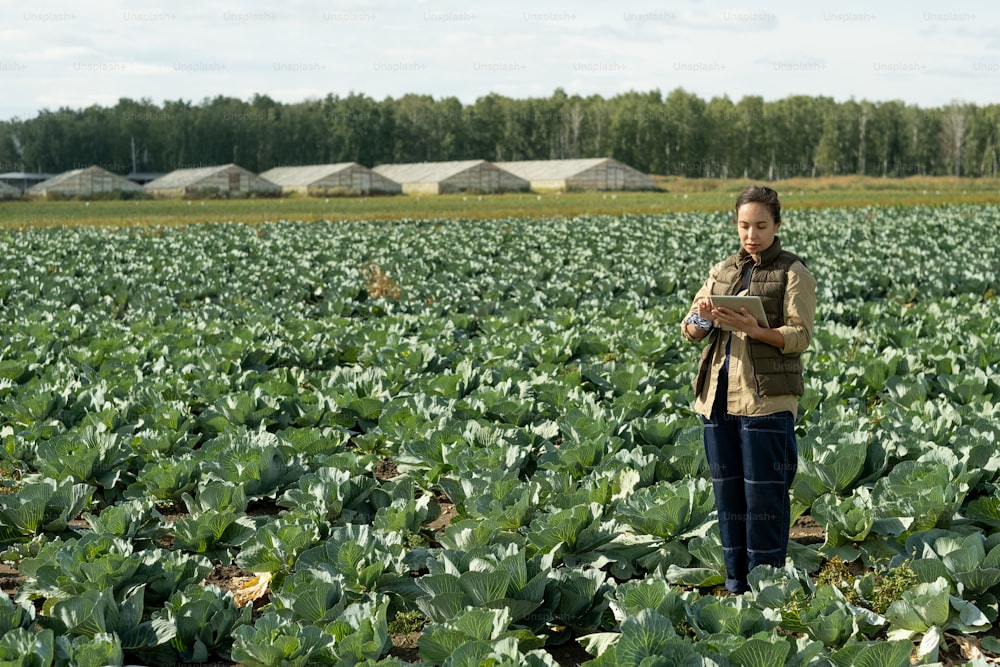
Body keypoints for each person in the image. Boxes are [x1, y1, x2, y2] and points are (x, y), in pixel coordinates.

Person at [681, 185, 816, 594]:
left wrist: (757, 331)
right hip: (718, 398)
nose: (751, 234)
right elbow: (689, 329)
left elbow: (800, 335)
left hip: (765, 400)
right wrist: (703, 318)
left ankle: (767, 590)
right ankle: (736, 584)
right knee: (729, 500)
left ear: (777, 224)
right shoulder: (722, 271)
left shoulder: (794, 272)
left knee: (764, 503)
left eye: (760, 225)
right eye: (744, 225)